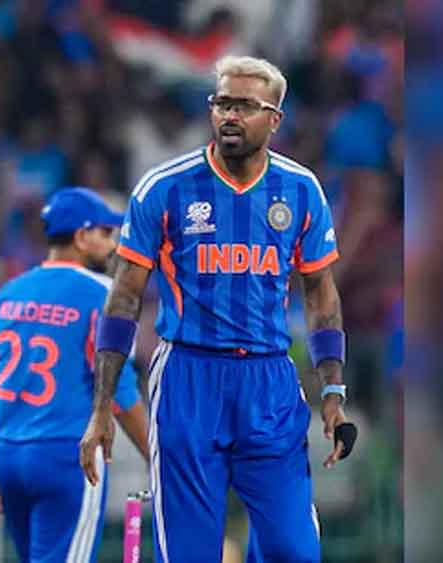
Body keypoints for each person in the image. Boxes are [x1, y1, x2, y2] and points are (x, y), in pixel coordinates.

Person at [79, 55, 358, 562]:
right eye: (222, 103)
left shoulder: (300, 190)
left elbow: (320, 293)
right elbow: (124, 297)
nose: (229, 115)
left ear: (274, 119)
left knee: (294, 551)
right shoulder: (165, 187)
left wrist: (333, 389)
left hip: (269, 382)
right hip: (188, 378)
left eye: (244, 106)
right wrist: (102, 406)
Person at [0, 187, 150, 562]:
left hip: (10, 456)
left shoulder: (8, 294)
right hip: (68, 456)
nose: (113, 244)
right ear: (82, 236)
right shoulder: (105, 293)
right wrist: (159, 460)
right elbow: (119, 391)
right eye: (105, 233)